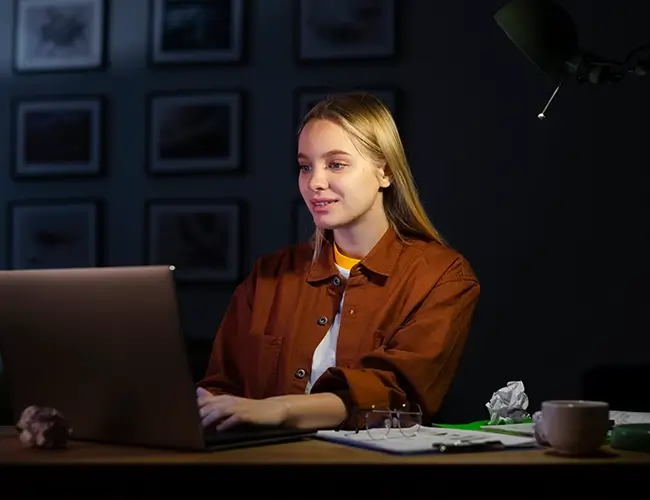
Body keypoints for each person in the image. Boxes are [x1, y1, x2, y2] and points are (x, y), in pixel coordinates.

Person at [196, 92, 480, 432]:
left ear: (385, 172)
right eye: (305, 166)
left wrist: (280, 408)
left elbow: (399, 395)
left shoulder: (442, 276)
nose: (314, 182)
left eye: (336, 164)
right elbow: (221, 387)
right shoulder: (269, 274)